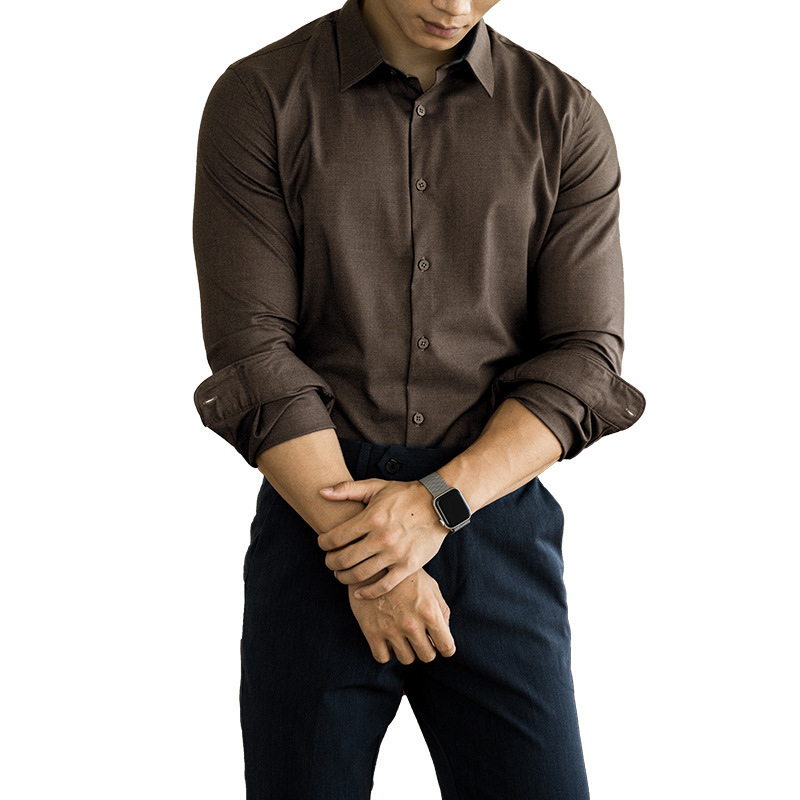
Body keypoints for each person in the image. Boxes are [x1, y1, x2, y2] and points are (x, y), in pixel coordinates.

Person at [192, 0, 645, 796]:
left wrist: (438, 504)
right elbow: (252, 349)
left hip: (495, 521)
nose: (456, 6)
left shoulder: (563, 116)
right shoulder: (262, 95)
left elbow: (583, 356)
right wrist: (379, 567)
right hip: (317, 518)